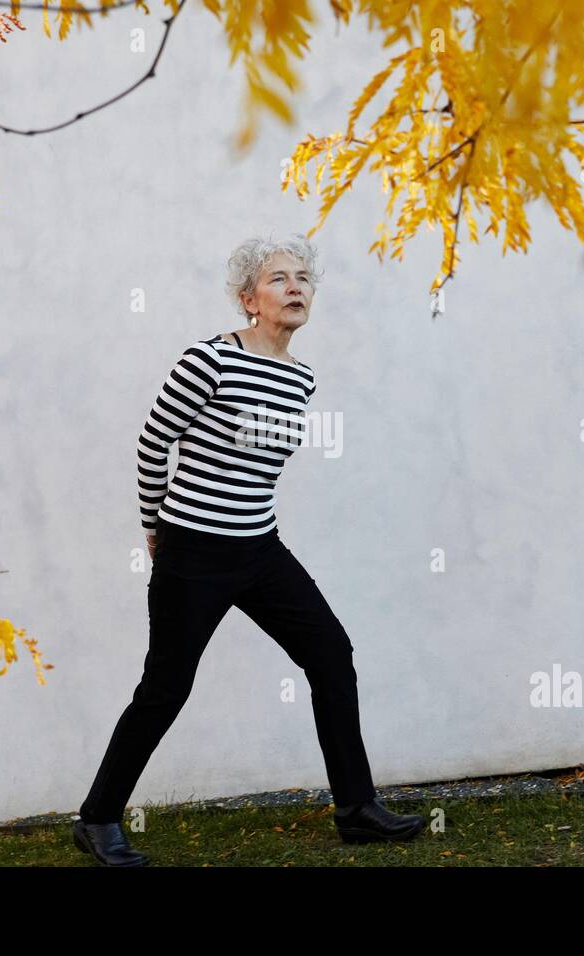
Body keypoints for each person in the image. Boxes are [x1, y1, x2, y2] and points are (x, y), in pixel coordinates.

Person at [73, 234, 425, 866]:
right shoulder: (207, 361)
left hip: (259, 550)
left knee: (331, 654)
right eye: (278, 279)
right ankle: (97, 819)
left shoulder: (301, 379)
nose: (295, 288)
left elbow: (261, 473)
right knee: (165, 689)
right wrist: (156, 528)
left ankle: (355, 808)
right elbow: (155, 443)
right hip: (194, 551)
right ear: (248, 300)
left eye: (303, 279)